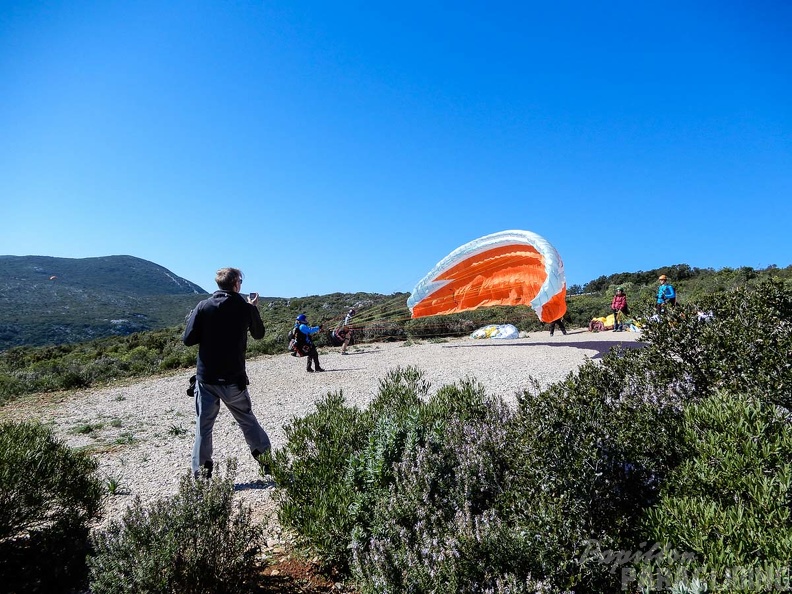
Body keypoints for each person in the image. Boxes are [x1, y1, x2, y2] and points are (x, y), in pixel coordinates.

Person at [183, 267, 271, 479]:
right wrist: (252, 309)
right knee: (247, 420)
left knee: (203, 427)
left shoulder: (203, 306)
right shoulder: (244, 308)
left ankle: (201, 474)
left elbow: (188, 339)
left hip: (206, 379)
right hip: (233, 378)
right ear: (236, 284)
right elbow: (259, 334)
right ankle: (267, 462)